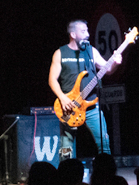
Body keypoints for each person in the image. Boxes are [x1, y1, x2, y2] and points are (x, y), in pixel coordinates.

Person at [48, 20, 121, 158]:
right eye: (83, 31)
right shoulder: (60, 53)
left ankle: (105, 169)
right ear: (73, 34)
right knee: (66, 149)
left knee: (104, 144)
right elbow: (52, 80)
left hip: (91, 108)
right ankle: (66, 170)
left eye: (87, 30)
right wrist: (62, 98)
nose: (87, 34)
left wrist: (115, 63)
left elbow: (107, 69)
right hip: (69, 107)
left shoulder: (91, 51)